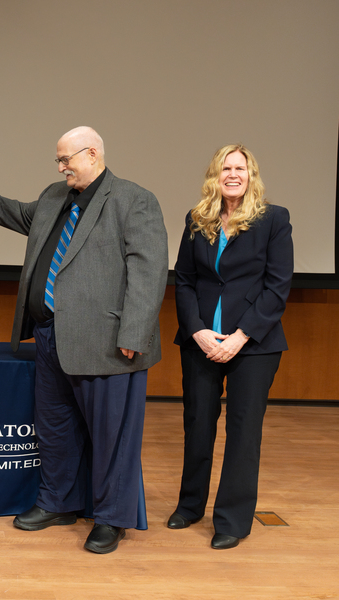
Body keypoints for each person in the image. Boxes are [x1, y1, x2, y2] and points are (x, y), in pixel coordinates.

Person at [0, 127, 168, 554]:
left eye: (65, 159)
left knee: (112, 436)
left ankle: (110, 518)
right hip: (50, 336)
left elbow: (149, 269)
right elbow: (19, 214)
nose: (61, 167)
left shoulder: (133, 199)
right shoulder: (55, 197)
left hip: (107, 342)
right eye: (59, 161)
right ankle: (58, 502)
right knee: (55, 429)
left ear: (92, 154)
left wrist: (134, 332)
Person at [168, 144, 293, 550]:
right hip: (202, 341)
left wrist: (241, 336)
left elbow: (277, 287)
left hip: (253, 346)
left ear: (251, 174)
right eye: (226, 168)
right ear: (215, 176)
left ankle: (232, 521)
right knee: (198, 424)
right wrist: (198, 331)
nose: (233, 174)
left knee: (243, 433)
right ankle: (190, 507)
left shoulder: (273, 219)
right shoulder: (197, 218)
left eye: (240, 168)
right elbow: (184, 280)